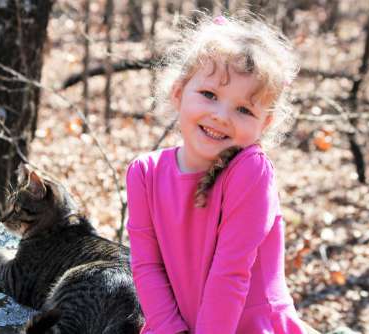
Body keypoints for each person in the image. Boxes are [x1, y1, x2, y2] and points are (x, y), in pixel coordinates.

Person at [126, 12, 308, 334]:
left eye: (244, 109)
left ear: (263, 124)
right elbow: (146, 266)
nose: (221, 116)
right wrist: (169, 329)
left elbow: (230, 273)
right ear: (179, 92)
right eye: (209, 95)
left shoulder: (250, 171)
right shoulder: (145, 173)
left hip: (248, 325)